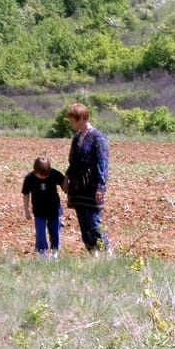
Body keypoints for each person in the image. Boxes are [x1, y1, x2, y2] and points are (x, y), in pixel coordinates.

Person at [65, 102, 111, 253]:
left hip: (91, 186)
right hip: (78, 187)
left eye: (73, 120)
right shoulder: (77, 138)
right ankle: (93, 255)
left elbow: (103, 163)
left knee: (93, 223)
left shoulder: (98, 138)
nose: (71, 123)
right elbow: (73, 162)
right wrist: (67, 177)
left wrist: (100, 187)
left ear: (81, 119)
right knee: (84, 224)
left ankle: (107, 252)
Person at [22, 156, 67, 259]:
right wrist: (26, 209)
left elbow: (64, 184)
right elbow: (25, 193)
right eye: (40, 175)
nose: (43, 177)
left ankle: (54, 252)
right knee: (40, 232)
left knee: (55, 232)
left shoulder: (54, 174)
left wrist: (67, 181)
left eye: (46, 175)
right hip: (39, 211)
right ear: (35, 171)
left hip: (54, 209)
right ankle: (42, 253)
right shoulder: (29, 178)